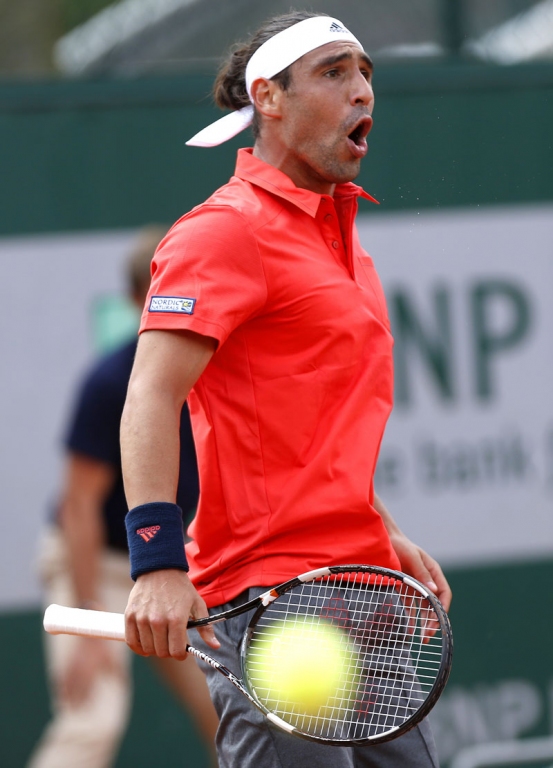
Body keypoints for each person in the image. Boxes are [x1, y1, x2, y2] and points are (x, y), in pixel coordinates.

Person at [120, 11, 452, 768]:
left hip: (362, 581)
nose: (361, 89)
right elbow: (151, 395)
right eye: (333, 73)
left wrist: (379, 526)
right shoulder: (222, 232)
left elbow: (316, 425)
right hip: (271, 598)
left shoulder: (343, 243)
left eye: (364, 72)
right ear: (268, 97)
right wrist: (157, 561)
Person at [28, 227, 218, 768]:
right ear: (138, 300)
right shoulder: (110, 383)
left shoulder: (219, 371)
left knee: (226, 712)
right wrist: (88, 618)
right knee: (93, 718)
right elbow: (79, 507)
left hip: (174, 562)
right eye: (163, 290)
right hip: (96, 563)